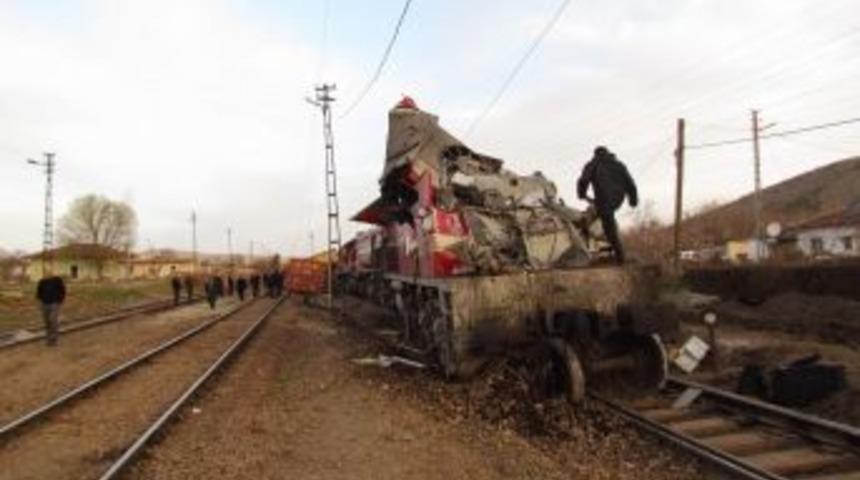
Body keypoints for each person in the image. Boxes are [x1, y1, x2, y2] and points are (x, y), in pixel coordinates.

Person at [577, 146, 638, 264]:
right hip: (618, 199)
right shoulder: (619, 164)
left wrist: (581, 194)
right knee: (607, 219)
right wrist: (633, 200)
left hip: (603, 199)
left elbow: (583, 180)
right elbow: (630, 183)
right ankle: (613, 248)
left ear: (595, 155)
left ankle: (620, 257)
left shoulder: (593, 164)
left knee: (608, 226)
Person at [36, 274, 66, 346]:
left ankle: (54, 338)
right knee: (47, 322)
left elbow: (63, 290)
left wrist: (60, 300)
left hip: (54, 303)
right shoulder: (42, 281)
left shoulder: (57, 280)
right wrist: (41, 300)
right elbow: (39, 292)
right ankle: (48, 338)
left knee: (53, 320)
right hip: (45, 303)